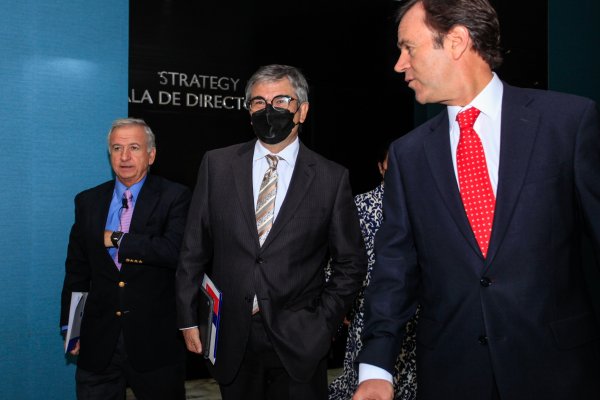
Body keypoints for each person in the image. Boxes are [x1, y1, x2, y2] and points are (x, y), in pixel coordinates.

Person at [353, 0, 600, 399]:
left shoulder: (567, 123)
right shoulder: (408, 155)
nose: (400, 64)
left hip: (560, 373)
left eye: (408, 48)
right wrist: (376, 367)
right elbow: (394, 270)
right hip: (453, 376)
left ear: (456, 41)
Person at [175, 64, 367, 400]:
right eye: (258, 102)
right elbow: (193, 247)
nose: (269, 110)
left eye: (281, 101)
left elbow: (350, 261)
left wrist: (323, 323)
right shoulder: (217, 165)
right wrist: (188, 319)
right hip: (231, 335)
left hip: (300, 339)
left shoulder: (331, 177)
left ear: (302, 111)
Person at [60, 118, 191, 400]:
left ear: (151, 154)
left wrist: (118, 239)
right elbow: (77, 271)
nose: (125, 156)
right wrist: (71, 328)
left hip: (155, 344)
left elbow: (174, 252)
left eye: (134, 147)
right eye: (117, 148)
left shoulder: (175, 196)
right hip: (98, 341)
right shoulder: (87, 202)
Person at [329, 146, 418, 400]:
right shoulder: (358, 206)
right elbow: (339, 260)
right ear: (381, 168)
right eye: (392, 165)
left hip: (416, 320)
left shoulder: (423, 206)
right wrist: (341, 305)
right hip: (368, 315)